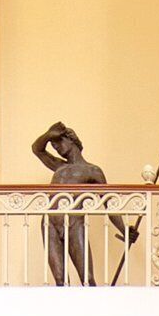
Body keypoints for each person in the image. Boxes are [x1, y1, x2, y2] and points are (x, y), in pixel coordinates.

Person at [30, 122, 114, 285]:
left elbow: (109, 204)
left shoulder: (92, 171)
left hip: (75, 222)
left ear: (71, 140)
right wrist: (49, 134)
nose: (56, 147)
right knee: (60, 280)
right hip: (50, 223)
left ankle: (97, 309)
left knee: (87, 278)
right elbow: (36, 149)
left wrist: (125, 230)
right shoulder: (59, 166)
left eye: (58, 142)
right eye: (53, 145)